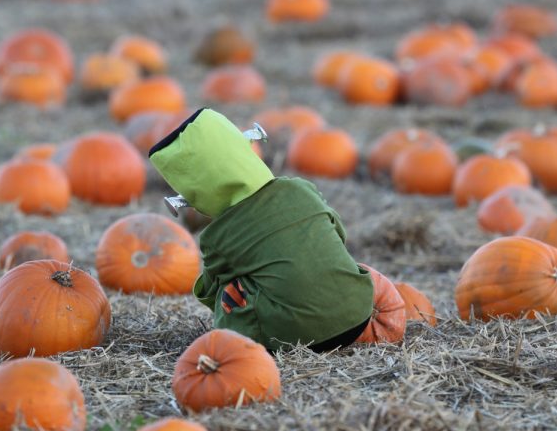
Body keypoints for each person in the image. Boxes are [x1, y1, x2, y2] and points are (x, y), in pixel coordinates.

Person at [149, 108, 398, 352]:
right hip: (359, 312)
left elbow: (212, 289)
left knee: (230, 293)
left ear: (195, 194)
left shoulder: (217, 236)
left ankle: (236, 347)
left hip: (295, 337)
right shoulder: (301, 189)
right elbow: (338, 234)